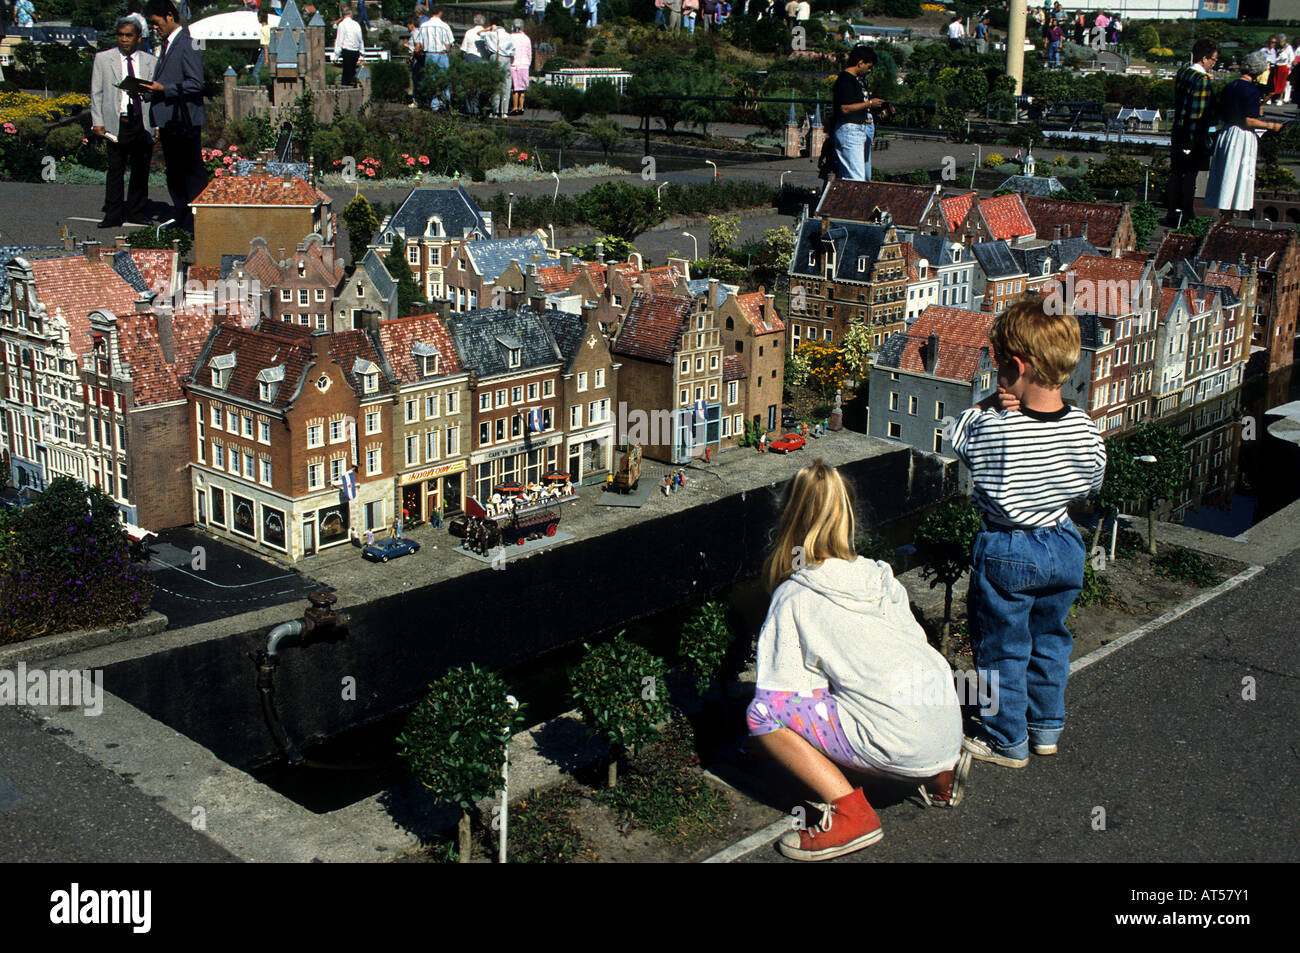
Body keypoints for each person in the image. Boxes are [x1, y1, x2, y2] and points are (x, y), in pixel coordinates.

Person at [749, 461, 966, 861]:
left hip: (899, 741)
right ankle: (940, 774)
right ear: (848, 515)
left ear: (789, 518)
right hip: (946, 724)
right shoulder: (880, 576)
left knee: (763, 714)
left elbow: (784, 693)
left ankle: (852, 816)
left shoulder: (796, 597)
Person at [949, 299, 1106, 769]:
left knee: (1002, 648)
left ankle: (1006, 740)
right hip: (1063, 543)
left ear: (1015, 367)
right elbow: (1093, 479)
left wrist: (987, 405)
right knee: (1051, 639)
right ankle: (1046, 728)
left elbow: (957, 439)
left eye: (998, 365)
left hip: (1009, 547)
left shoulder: (996, 429)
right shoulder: (1084, 428)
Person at [145, 0, 206, 233]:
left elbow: (195, 83)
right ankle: (182, 219)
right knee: (175, 175)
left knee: (191, 174)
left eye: (156, 23)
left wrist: (163, 89)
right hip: (170, 121)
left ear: (170, 16)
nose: (154, 28)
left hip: (184, 120)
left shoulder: (190, 43)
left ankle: (195, 223)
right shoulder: (169, 44)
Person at [90, 17, 157, 229]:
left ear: (138, 38)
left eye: (128, 35)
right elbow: (96, 93)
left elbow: (155, 97)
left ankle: (137, 212)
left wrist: (156, 125)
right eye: (120, 35)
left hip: (140, 122)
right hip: (116, 122)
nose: (124, 39)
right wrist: (97, 121)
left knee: (140, 169)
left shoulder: (150, 61)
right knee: (115, 169)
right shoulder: (103, 59)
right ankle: (113, 214)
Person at [1206, 50, 1286, 223]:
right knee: (1236, 174)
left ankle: (1224, 215)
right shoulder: (1251, 91)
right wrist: (1271, 126)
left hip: (1227, 132)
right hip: (1241, 136)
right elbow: (1249, 121)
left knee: (1226, 174)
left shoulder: (1230, 86)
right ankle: (1227, 217)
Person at [1166, 38, 1219, 228]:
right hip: (1193, 135)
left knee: (1176, 172)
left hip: (1178, 131)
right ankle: (1187, 213)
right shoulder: (1202, 80)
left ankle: (1173, 211)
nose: (1214, 64)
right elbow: (1199, 113)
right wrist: (1195, 140)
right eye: (1213, 60)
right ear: (1204, 58)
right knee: (1189, 175)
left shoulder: (1183, 72)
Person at [831, 45, 883, 182]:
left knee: (853, 177)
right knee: (856, 178)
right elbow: (845, 108)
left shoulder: (853, 80)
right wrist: (869, 104)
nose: (869, 70)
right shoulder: (846, 80)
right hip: (850, 130)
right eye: (869, 66)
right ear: (860, 63)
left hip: (856, 129)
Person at [416, 3, 453, 109]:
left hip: (430, 54)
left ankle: (434, 105)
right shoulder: (445, 26)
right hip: (441, 54)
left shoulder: (423, 26)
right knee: (444, 80)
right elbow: (448, 44)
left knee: (432, 80)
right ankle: (445, 103)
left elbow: (420, 43)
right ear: (440, 12)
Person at [480, 14, 515, 119]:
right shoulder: (509, 35)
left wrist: (490, 28)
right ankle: (504, 112)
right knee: (506, 85)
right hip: (506, 58)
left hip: (495, 57)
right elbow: (513, 50)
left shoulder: (490, 34)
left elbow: (479, 33)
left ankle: (495, 111)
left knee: (495, 84)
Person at [333, 4, 363, 87]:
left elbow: (339, 41)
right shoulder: (356, 24)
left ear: (343, 15)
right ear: (350, 14)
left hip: (347, 51)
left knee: (346, 73)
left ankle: (346, 90)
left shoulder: (342, 25)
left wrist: (336, 55)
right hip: (355, 51)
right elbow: (360, 40)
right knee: (353, 71)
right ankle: (355, 87)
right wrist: (362, 53)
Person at [509, 18, 531, 115]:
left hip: (514, 64)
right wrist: (528, 63)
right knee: (522, 88)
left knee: (515, 87)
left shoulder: (511, 37)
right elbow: (529, 53)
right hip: (524, 64)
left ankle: (515, 107)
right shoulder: (526, 38)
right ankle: (521, 106)